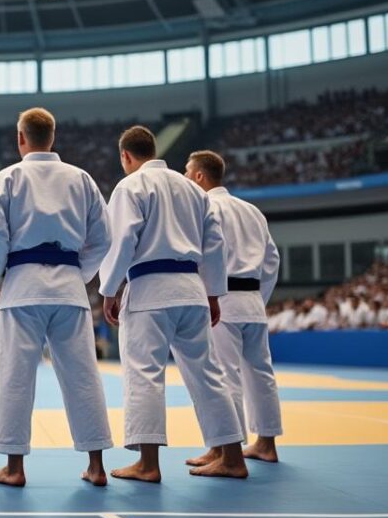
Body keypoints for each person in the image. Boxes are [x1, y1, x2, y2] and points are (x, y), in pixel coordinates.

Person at [98, 126, 247, 482]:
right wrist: (213, 294)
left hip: (150, 290)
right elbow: (214, 244)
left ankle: (147, 464)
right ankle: (233, 458)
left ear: (126, 156)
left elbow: (122, 241)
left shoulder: (131, 186)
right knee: (209, 374)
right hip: (192, 289)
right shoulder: (194, 190)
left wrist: (108, 289)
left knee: (144, 375)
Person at [0, 107, 113, 487]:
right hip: (69, 288)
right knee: (83, 376)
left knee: (15, 378)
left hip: (22, 287)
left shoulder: (9, 178)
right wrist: (77, 273)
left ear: (21, 138)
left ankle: (14, 468)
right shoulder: (80, 178)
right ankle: (97, 466)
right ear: (52, 137)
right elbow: (103, 238)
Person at [184, 150, 283, 464]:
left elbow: (203, 256)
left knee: (224, 375)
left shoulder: (203, 206)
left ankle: (224, 450)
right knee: (261, 373)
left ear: (200, 175)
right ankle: (266, 444)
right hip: (253, 299)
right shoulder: (251, 210)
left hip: (221, 299)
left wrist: (205, 296)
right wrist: (258, 298)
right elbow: (272, 261)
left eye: (187, 173)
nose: (185, 178)